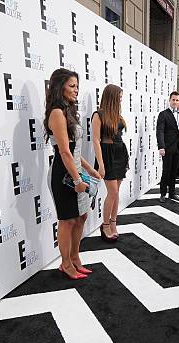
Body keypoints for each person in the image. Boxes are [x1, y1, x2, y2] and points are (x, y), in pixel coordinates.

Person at [45, 68, 101, 280]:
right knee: (67, 220)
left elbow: (74, 150)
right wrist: (77, 179)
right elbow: (65, 152)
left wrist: (88, 169)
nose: (76, 90)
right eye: (72, 86)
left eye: (77, 86)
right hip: (63, 174)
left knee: (82, 216)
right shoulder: (57, 113)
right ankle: (65, 263)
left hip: (75, 168)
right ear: (60, 87)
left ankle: (76, 258)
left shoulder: (68, 111)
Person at [92, 84, 128, 242]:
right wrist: (100, 164)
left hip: (120, 154)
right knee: (112, 192)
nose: (121, 99)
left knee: (116, 193)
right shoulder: (98, 115)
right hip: (107, 155)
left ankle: (114, 223)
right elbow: (95, 140)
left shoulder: (117, 115)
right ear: (112, 97)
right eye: (119, 96)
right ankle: (105, 225)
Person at [156, 91, 179, 203]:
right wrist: (161, 147)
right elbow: (160, 131)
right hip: (167, 148)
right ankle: (163, 193)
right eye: (173, 100)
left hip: (178, 147)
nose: (175, 102)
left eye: (177, 100)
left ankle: (172, 193)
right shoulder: (163, 114)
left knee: (174, 171)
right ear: (169, 101)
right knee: (166, 171)